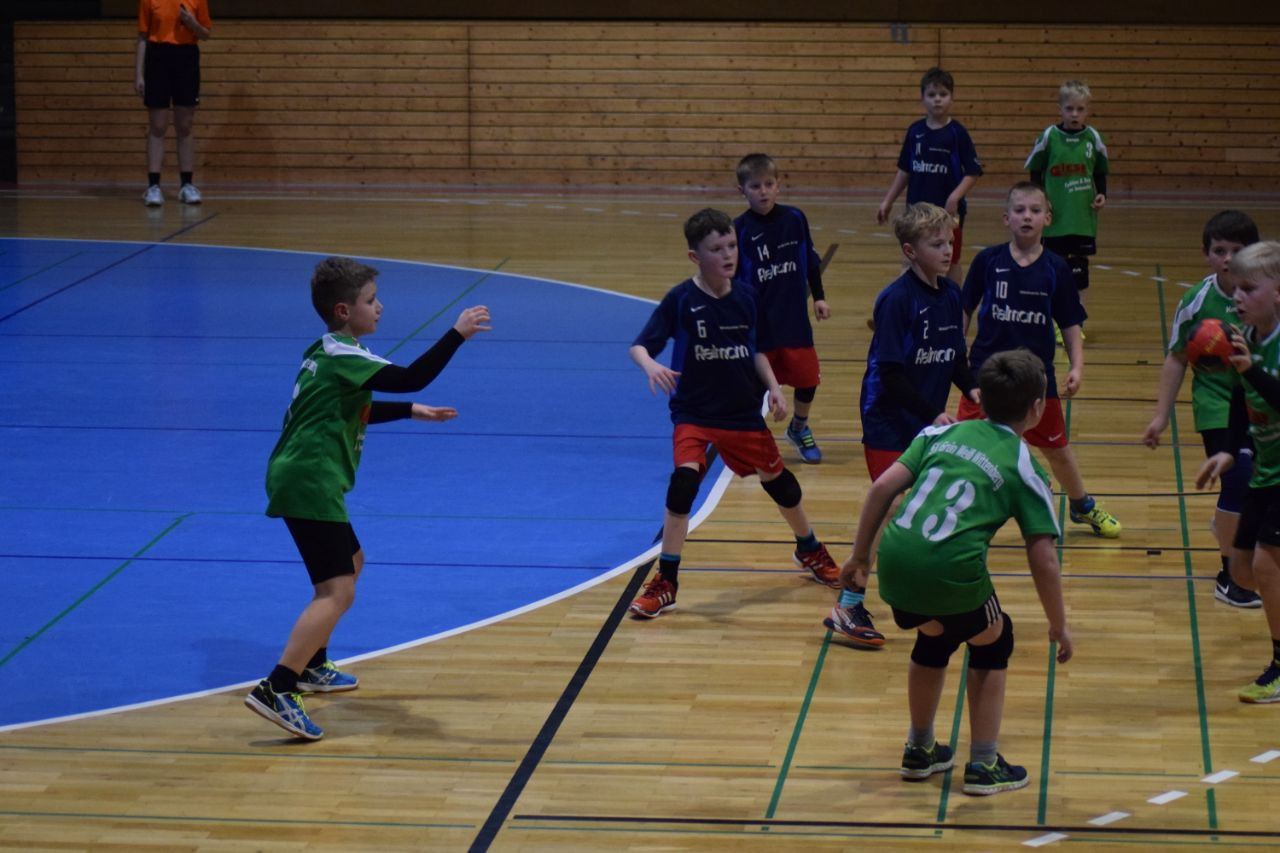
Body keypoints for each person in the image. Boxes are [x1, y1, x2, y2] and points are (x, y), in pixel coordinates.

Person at [244, 257, 491, 740]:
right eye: (371, 300)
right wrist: (457, 334)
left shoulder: (330, 351)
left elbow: (348, 407)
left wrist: (409, 412)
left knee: (351, 563)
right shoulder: (343, 354)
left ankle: (312, 664)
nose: (380, 307)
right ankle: (278, 687)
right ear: (344, 310)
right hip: (309, 479)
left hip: (307, 477)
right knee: (337, 591)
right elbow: (412, 375)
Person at [843, 348, 1073, 794]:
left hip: (896, 562)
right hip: (948, 570)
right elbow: (1043, 557)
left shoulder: (938, 434)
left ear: (979, 398)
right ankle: (984, 764)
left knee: (935, 638)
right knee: (995, 640)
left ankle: (919, 748)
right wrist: (1058, 624)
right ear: (1037, 408)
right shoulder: (1023, 464)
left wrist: (860, 558)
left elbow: (881, 489)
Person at [627, 208, 841, 619]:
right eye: (716, 249)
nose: (728, 255)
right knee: (682, 486)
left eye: (731, 246)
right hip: (694, 412)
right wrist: (651, 365)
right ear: (695, 257)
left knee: (782, 485)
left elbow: (757, 351)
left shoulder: (747, 298)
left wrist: (774, 388)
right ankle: (667, 581)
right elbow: (639, 346)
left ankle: (809, 547)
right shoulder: (681, 300)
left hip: (741, 413)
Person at [825, 203, 978, 648]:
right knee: (890, 506)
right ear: (911, 251)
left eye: (949, 242)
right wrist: (932, 413)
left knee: (922, 508)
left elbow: (956, 358)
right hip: (888, 419)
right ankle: (849, 603)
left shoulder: (951, 295)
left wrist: (974, 390)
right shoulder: (896, 301)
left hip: (924, 419)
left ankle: (926, 591)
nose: (947, 251)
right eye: (937, 244)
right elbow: (890, 374)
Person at [958, 182, 1120, 538]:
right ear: (1006, 218)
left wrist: (1077, 366)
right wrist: (956, 360)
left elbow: (1071, 323)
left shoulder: (1056, 268)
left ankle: (1082, 506)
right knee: (966, 445)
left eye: (1034, 210)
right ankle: (957, 511)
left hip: (1035, 379)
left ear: (1048, 217)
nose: (1026, 216)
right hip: (985, 375)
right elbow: (965, 309)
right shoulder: (988, 261)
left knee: (1057, 450)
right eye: (1019, 210)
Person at [1143, 210, 1262, 606]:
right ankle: (1229, 576)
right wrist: (1161, 416)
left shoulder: (1266, 297)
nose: (1227, 259)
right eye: (1219, 250)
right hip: (1216, 404)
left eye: (1237, 250)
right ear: (1206, 254)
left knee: (1259, 484)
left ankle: (1233, 526)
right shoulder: (1196, 300)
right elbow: (1176, 358)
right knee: (1238, 477)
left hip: (1261, 403)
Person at [1197, 240, 1280, 704]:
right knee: (1243, 571)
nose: (1238, 297)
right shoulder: (1246, 337)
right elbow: (1237, 398)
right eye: (1236, 289)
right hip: (1266, 469)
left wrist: (1251, 372)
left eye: (1249, 288)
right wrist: (1229, 451)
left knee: (1267, 564)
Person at [733, 153, 830, 464]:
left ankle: (798, 428)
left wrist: (819, 297)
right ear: (742, 190)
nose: (763, 191)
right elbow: (731, 277)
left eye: (768, 184)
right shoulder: (738, 229)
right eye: (755, 186)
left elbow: (810, 262)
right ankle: (754, 438)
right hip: (759, 324)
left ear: (778, 185)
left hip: (793, 320)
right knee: (754, 388)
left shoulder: (795, 219)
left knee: (808, 380)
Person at [876, 67, 983, 283]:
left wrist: (955, 197)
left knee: (951, 260)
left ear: (952, 98)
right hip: (916, 212)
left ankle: (953, 301)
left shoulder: (957, 133)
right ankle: (906, 301)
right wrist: (888, 201)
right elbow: (905, 171)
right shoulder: (915, 131)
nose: (937, 99)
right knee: (909, 259)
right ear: (922, 98)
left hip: (947, 213)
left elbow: (973, 172)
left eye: (943, 94)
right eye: (932, 95)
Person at [1025, 80, 1108, 312]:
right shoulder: (1049, 136)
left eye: (1080, 109)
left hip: (1082, 218)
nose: (1074, 114)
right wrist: (1039, 199)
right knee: (1053, 267)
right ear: (1059, 109)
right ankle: (1052, 317)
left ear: (1087, 110)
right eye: (1069, 108)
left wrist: (1102, 193)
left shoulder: (1093, 138)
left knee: (1080, 271)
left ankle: (1077, 319)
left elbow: (1100, 170)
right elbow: (1036, 169)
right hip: (1054, 219)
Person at [135, 0, 212, 207]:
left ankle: (187, 185)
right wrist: (139, 74)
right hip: (157, 58)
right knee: (158, 125)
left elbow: (206, 34)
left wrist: (192, 23)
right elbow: (142, 37)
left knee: (184, 125)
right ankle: (153, 186)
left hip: (186, 58)